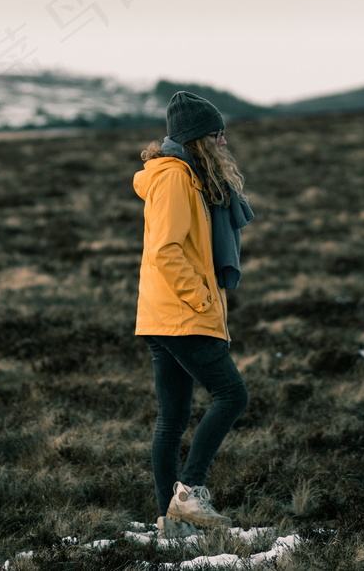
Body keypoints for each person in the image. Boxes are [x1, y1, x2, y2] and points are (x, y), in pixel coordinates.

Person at [133, 90, 253, 540]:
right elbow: (166, 250)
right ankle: (191, 492)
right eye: (217, 135)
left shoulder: (191, 178)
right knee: (232, 395)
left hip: (164, 314)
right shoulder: (174, 179)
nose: (224, 143)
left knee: (172, 419)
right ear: (199, 138)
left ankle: (170, 521)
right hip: (179, 314)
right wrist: (202, 300)